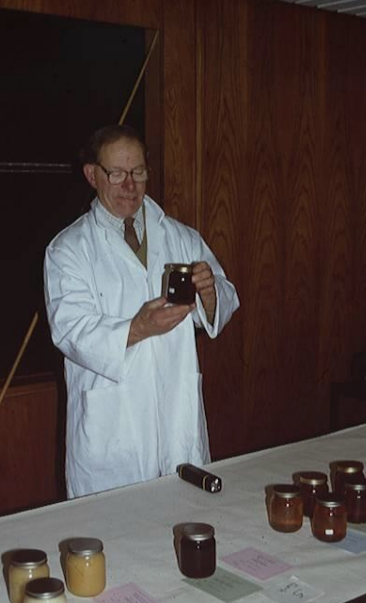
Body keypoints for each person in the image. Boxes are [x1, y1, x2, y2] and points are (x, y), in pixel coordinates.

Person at [44, 124, 239, 498]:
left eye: (138, 173)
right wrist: (137, 329)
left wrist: (210, 297)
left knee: (184, 523)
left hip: (175, 416)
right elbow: (70, 330)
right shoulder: (69, 249)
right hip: (112, 429)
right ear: (92, 175)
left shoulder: (181, 237)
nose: (129, 185)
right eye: (116, 174)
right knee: (115, 537)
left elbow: (226, 295)